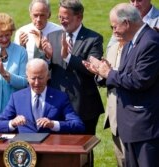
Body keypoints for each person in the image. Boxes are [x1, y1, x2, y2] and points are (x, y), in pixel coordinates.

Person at [83, 3, 159, 167]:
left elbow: (140, 80)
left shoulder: (150, 42)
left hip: (145, 128)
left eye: (114, 26)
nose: (113, 31)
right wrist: (102, 72)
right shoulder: (128, 43)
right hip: (129, 127)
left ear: (126, 23)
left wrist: (108, 73)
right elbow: (123, 75)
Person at [43, 0, 104, 166]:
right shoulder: (53, 36)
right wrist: (47, 57)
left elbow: (92, 69)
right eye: (59, 17)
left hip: (84, 106)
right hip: (56, 104)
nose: (61, 20)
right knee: (56, 151)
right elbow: (47, 70)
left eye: (66, 17)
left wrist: (68, 57)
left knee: (83, 152)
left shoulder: (94, 38)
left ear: (79, 17)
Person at [0, 58, 85, 133]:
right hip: (25, 150)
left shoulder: (60, 97)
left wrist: (53, 124)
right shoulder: (17, 98)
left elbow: (78, 125)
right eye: (33, 78)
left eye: (40, 78)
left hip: (51, 149)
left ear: (48, 76)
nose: (37, 83)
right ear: (27, 77)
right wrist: (12, 123)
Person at [98, 37, 128, 166]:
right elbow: (105, 77)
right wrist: (99, 72)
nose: (114, 31)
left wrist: (109, 73)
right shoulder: (113, 47)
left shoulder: (138, 49)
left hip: (132, 114)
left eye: (117, 26)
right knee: (120, 159)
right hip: (114, 114)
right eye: (112, 27)